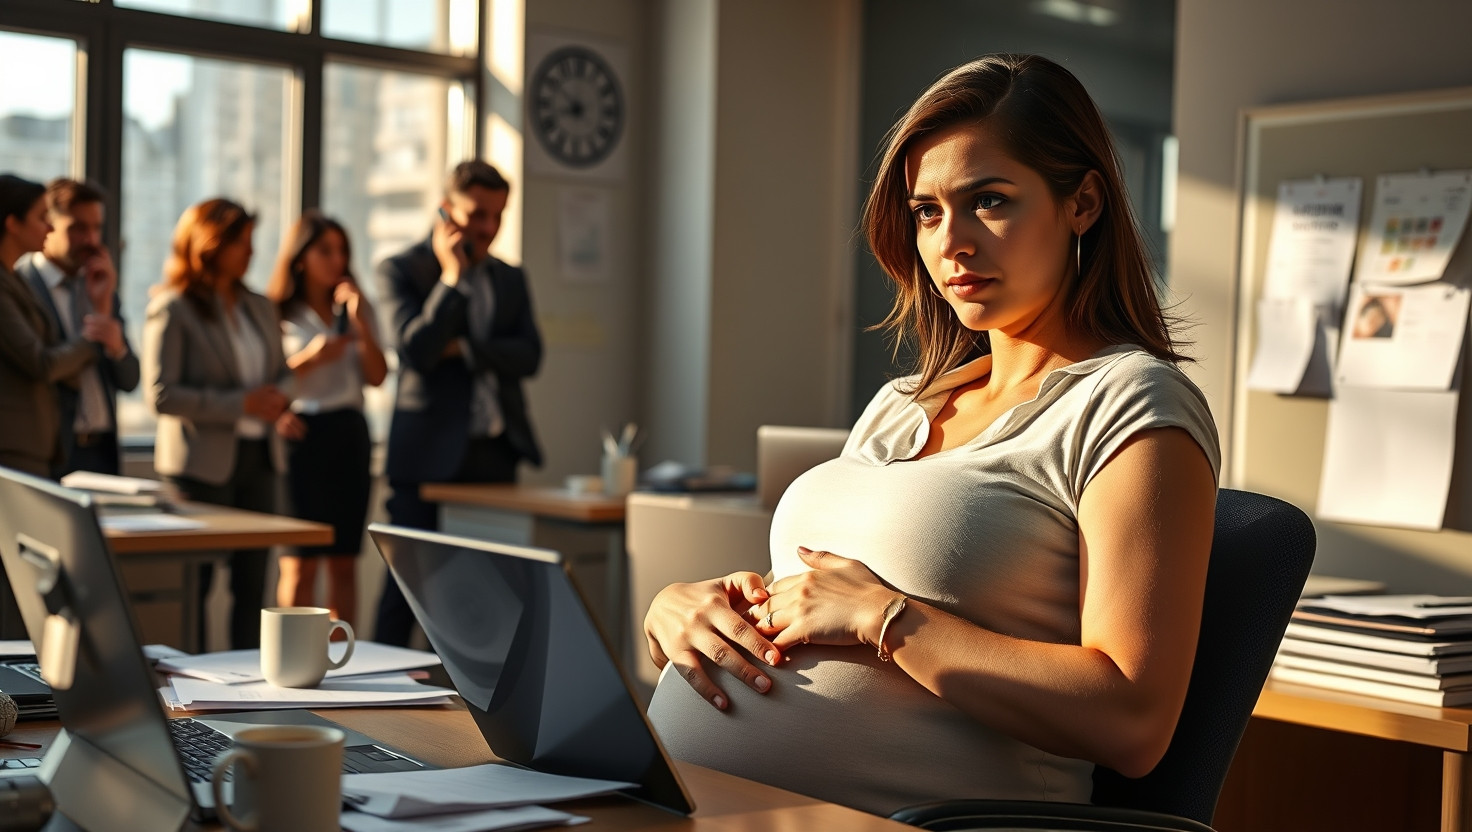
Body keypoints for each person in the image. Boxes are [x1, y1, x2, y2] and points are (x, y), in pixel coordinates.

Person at [643, 54, 1221, 817]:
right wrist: (682, 616)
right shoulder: (900, 404)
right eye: (926, 211)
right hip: (684, 796)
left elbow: (1133, 718)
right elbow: (814, 603)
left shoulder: (1132, 404)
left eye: (989, 201)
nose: (952, 243)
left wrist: (887, 618)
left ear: (1082, 203)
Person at [372, 160, 543, 646]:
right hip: (426, 457)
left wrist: (465, 349)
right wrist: (451, 279)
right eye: (477, 214)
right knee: (405, 591)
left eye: (497, 215)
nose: (488, 227)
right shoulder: (400, 270)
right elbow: (416, 350)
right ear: (446, 210)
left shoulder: (510, 278)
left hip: (494, 453)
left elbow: (530, 355)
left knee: (484, 597)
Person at [142, 198, 292, 649]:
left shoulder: (259, 306)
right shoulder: (173, 307)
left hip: (260, 459)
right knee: (197, 590)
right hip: (199, 467)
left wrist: (280, 396)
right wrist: (241, 403)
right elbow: (162, 394)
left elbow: (283, 371)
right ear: (210, 244)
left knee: (253, 590)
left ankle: (248, 696)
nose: (251, 252)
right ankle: (192, 698)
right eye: (241, 243)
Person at [265, 210, 387, 627]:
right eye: (325, 251)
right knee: (299, 564)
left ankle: (341, 668)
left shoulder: (358, 308)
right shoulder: (277, 312)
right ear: (300, 258)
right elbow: (266, 381)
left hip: (349, 435)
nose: (337, 260)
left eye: (342, 251)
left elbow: (377, 376)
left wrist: (361, 323)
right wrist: (311, 357)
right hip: (301, 436)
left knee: (343, 563)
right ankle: (292, 662)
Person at [14, 178, 140, 476]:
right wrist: (90, 337)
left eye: (96, 228)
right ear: (48, 225)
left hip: (101, 452)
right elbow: (39, 368)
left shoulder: (100, 286)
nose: (91, 240)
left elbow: (130, 379)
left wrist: (109, 325)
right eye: (78, 228)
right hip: (50, 452)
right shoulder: (20, 286)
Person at [0, 174, 107, 478]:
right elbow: (41, 363)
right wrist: (94, 337)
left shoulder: (14, 280)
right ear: (12, 223)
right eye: (41, 218)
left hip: (37, 446)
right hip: (13, 448)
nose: (49, 227)